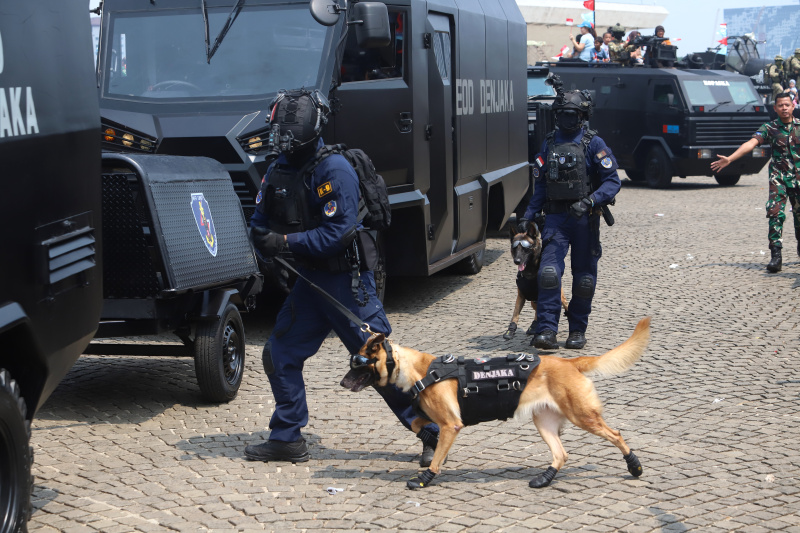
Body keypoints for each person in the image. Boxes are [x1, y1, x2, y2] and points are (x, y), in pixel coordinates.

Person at [245, 89, 440, 465]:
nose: (282, 137)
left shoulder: (334, 170)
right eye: (278, 129)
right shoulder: (278, 168)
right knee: (279, 353)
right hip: (309, 284)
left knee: (381, 364)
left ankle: (431, 430)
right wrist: (265, 242)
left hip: (346, 285)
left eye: (289, 130)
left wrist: (283, 241)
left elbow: (337, 234)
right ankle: (287, 437)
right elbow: (259, 222)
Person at [518, 87, 621, 350]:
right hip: (555, 220)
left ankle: (577, 329)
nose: (566, 118)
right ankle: (547, 330)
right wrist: (527, 217)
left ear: (582, 115)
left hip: (585, 220)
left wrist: (590, 200)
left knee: (584, 279)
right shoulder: (549, 143)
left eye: (571, 113)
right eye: (562, 113)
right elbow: (540, 187)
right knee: (549, 273)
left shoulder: (594, 144)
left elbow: (612, 182)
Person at [710, 92, 800, 273]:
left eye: (787, 105)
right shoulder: (770, 128)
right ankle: (776, 256)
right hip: (778, 178)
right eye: (780, 105)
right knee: (775, 214)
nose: (784, 108)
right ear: (775, 108)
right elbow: (751, 143)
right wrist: (730, 159)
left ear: (793, 107)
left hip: (798, 179)